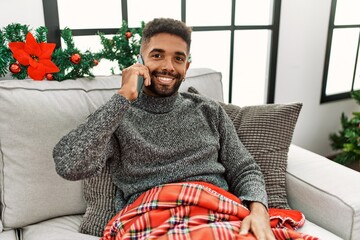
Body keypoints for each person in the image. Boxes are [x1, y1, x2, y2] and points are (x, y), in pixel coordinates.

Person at [53, 18, 275, 240]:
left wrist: (259, 212)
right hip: (150, 216)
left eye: (178, 58)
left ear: (186, 68)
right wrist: (122, 97)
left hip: (214, 212)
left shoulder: (208, 110)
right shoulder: (117, 115)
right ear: (139, 61)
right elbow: (69, 165)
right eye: (157, 55)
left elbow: (245, 169)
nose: (168, 66)